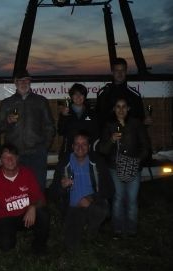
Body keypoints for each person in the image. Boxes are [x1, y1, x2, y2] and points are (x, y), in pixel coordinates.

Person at [0, 144, 49, 254]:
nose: (10, 160)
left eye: (13, 156)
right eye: (5, 157)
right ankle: (0, 234)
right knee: (6, 245)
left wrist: (32, 207)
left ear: (18, 158)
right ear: (0, 161)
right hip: (6, 217)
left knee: (43, 215)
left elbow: (41, 200)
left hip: (26, 214)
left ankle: (38, 246)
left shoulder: (27, 173)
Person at [51, 131, 114, 252]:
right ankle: (80, 229)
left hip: (93, 203)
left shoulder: (97, 162)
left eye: (84, 144)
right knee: (71, 245)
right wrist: (61, 186)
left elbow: (110, 188)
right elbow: (53, 193)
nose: (80, 147)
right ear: (72, 146)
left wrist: (90, 198)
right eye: (77, 144)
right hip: (73, 208)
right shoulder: (64, 163)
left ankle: (92, 232)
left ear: (89, 147)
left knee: (100, 210)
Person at [98, 98, 150, 237]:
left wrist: (136, 161)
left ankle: (132, 230)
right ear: (114, 109)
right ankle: (118, 229)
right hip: (115, 167)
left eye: (124, 106)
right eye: (118, 107)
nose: (121, 109)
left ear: (128, 108)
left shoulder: (136, 124)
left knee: (132, 200)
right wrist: (111, 140)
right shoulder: (109, 125)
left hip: (134, 167)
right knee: (118, 198)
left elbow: (146, 147)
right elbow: (102, 149)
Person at [0, 70, 55, 190]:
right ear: (15, 82)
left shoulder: (41, 101)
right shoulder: (6, 103)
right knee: (16, 188)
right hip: (14, 155)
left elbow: (49, 126)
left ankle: (38, 209)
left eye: (26, 80)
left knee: (38, 187)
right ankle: (20, 209)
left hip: (37, 153)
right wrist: (7, 121)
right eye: (20, 80)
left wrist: (44, 148)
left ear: (30, 81)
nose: (23, 83)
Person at [96, 57, 151, 129]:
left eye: (123, 70)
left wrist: (145, 123)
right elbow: (98, 119)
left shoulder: (134, 95)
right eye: (117, 70)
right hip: (109, 135)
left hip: (130, 135)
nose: (120, 73)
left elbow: (140, 120)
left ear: (126, 71)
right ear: (112, 72)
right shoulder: (103, 93)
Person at [57, 83, 99, 159]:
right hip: (68, 152)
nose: (78, 97)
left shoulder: (92, 113)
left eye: (81, 94)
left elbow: (96, 134)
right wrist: (63, 116)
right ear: (71, 96)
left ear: (85, 96)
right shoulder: (65, 112)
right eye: (75, 94)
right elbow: (60, 131)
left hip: (87, 153)